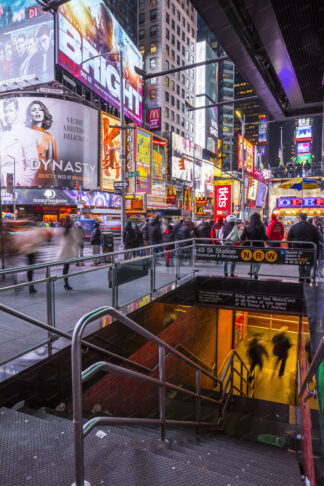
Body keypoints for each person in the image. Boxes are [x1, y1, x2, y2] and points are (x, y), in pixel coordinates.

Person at [1, 97, 39, 187]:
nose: (7, 114)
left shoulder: (26, 132)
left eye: (10, 111)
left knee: (11, 200)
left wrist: (22, 183)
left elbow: (34, 162)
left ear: (17, 111)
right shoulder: (3, 132)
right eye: (5, 111)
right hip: (2, 177)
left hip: (12, 177)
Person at [25, 100, 58, 186]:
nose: (37, 112)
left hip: (44, 174)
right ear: (29, 115)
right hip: (28, 173)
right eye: (34, 110)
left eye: (40, 109)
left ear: (44, 113)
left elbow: (51, 163)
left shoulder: (49, 136)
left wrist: (55, 183)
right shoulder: (24, 133)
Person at [287, 212, 319, 283]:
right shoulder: (312, 227)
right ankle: (307, 277)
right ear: (306, 217)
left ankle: (301, 277)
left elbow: (288, 238)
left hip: (298, 249)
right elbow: (317, 239)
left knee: (301, 263)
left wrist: (290, 248)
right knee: (309, 263)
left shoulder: (294, 227)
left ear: (299, 218)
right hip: (310, 249)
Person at [240, 212, 269, 279]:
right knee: (259, 260)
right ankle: (256, 272)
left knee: (252, 260)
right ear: (259, 219)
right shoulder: (261, 228)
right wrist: (269, 242)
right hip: (259, 246)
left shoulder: (247, 228)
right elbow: (265, 237)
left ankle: (252, 271)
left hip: (251, 247)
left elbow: (242, 238)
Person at [57, 217, 78, 291]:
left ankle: (66, 283)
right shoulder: (71, 229)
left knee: (65, 267)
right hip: (68, 250)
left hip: (63, 250)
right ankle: (66, 284)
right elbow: (74, 240)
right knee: (66, 267)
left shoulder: (63, 229)